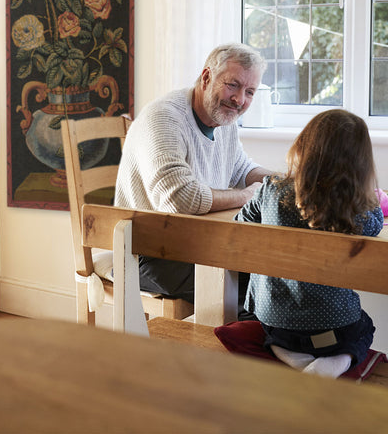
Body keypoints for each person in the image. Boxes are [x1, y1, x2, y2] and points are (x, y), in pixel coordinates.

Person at [114, 43, 276, 306]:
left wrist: (288, 182)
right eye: (232, 85)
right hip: (149, 254)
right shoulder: (164, 117)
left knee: (271, 272)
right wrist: (246, 196)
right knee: (260, 289)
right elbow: (179, 199)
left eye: (250, 92)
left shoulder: (224, 121)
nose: (239, 100)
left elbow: (242, 170)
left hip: (195, 243)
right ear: (206, 77)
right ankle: (216, 346)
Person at [238, 109, 384, 378]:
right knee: (365, 327)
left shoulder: (271, 189)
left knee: (269, 331)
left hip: (278, 324)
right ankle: (337, 361)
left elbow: (242, 221)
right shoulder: (358, 210)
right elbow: (377, 225)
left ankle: (289, 355)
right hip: (334, 329)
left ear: (303, 145)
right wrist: (371, 199)